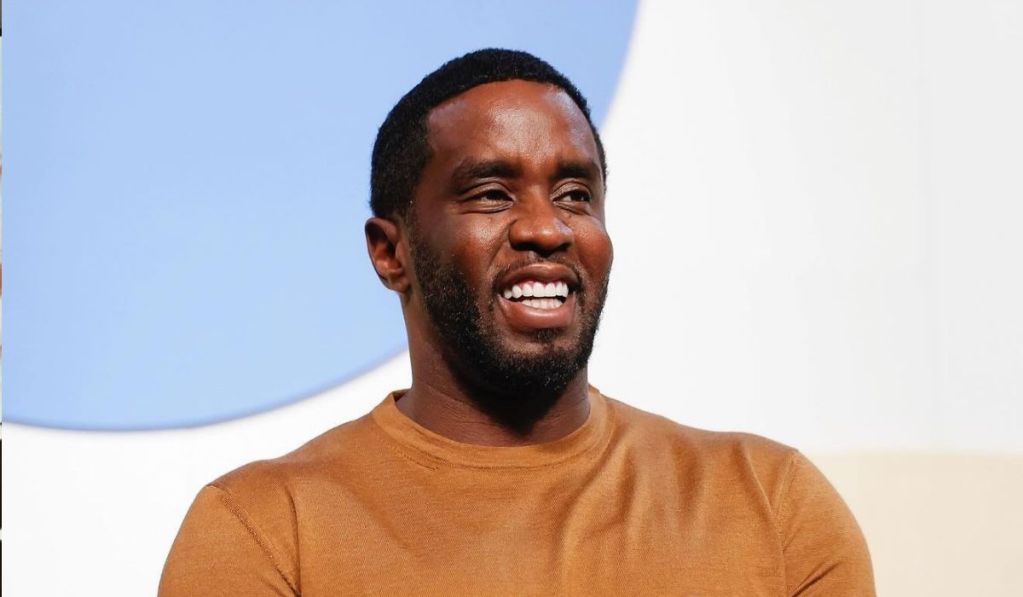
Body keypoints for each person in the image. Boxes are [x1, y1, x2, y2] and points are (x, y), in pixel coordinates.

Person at [159, 49, 875, 596]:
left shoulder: (771, 503)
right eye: (492, 193)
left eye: (575, 193)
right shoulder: (265, 530)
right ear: (391, 252)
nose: (547, 228)